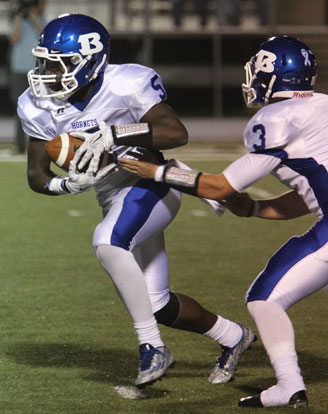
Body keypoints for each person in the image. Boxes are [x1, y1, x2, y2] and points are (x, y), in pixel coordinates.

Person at [18, 13, 255, 388]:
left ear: (91, 61)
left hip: (152, 182)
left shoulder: (126, 81)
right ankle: (234, 336)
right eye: (44, 61)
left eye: (58, 63)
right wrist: (68, 186)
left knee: (108, 243)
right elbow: (36, 175)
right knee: (157, 304)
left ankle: (152, 348)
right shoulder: (36, 104)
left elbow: (176, 132)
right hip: (113, 196)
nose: (47, 71)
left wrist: (113, 134)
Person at [119, 35, 326, 407]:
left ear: (268, 74)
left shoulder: (275, 119)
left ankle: (288, 385)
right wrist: (255, 209)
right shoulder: (321, 109)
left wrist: (159, 172)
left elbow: (218, 186)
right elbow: (308, 194)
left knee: (264, 298)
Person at [9, 0, 46, 153]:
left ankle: (39, 141)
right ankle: (19, 144)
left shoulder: (44, 21)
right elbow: (14, 39)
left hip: (37, 70)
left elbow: (44, 37)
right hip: (18, 68)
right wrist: (19, 17)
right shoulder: (18, 22)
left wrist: (34, 18)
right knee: (19, 106)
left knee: (40, 106)